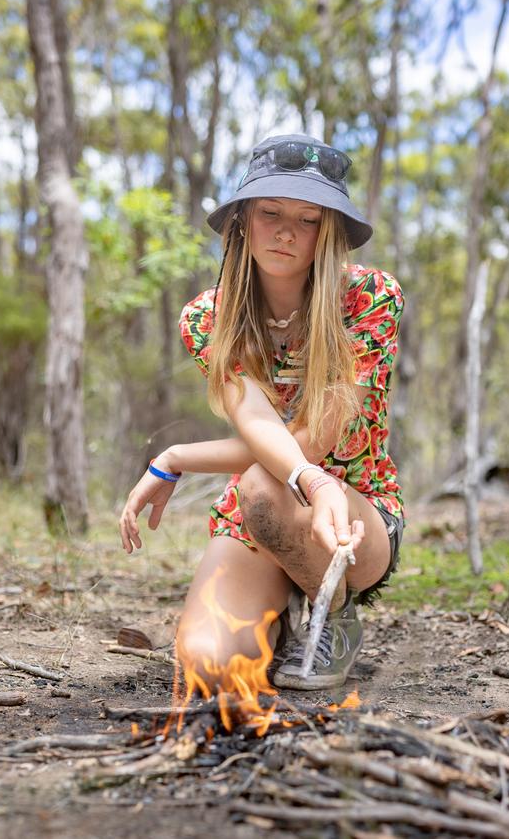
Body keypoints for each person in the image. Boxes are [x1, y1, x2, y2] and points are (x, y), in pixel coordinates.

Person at [119, 133, 404, 691]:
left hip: (351, 513)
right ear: (243, 220)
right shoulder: (209, 317)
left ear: (330, 233)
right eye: (270, 211)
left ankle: (335, 614)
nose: (286, 231)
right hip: (261, 513)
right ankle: (273, 612)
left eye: (308, 219)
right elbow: (258, 423)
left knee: (262, 485)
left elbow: (311, 443)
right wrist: (172, 457)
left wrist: (186, 459)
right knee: (209, 665)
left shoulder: (369, 300)